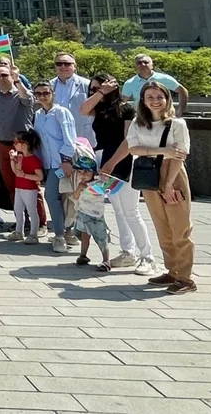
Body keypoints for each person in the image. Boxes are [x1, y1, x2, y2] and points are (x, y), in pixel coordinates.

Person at [120, 81, 195, 294]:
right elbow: (132, 148)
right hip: (148, 174)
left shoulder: (177, 124)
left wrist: (170, 184)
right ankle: (172, 271)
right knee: (162, 226)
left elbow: (179, 155)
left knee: (180, 226)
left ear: (167, 99)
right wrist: (163, 150)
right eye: (150, 97)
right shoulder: (138, 122)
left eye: (159, 97)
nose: (155, 101)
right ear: (143, 100)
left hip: (172, 173)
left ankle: (186, 277)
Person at [85, 75, 155, 275]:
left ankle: (147, 256)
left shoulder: (126, 108)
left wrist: (111, 163)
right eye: (92, 89)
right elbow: (83, 109)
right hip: (103, 157)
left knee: (131, 210)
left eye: (98, 87)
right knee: (118, 209)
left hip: (122, 159)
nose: (95, 91)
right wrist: (99, 93)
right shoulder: (98, 107)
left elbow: (128, 140)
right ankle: (128, 252)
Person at [0, 62, 45, 234]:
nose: (1, 79)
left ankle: (40, 222)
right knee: (11, 185)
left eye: (4, 75)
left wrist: (17, 80)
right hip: (2, 144)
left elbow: (29, 99)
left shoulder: (21, 95)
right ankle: (21, 220)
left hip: (22, 147)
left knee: (30, 184)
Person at [31, 81, 78, 253]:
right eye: (38, 94)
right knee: (61, 197)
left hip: (60, 164)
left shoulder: (61, 113)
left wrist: (66, 160)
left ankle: (60, 235)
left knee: (52, 195)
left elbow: (69, 138)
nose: (42, 97)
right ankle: (68, 231)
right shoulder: (38, 114)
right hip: (47, 163)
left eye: (46, 93)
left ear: (53, 93)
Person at [8, 128, 44, 245]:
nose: (14, 145)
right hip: (19, 188)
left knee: (32, 211)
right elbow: (15, 172)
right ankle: (19, 231)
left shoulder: (34, 160)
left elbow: (39, 176)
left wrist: (25, 175)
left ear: (24, 145)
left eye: (15, 143)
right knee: (18, 210)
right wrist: (12, 160)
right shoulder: (20, 157)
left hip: (30, 190)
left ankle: (33, 234)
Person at [122, 54, 189, 117]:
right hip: (142, 119)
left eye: (146, 62)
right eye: (139, 63)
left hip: (165, 117)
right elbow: (123, 102)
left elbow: (183, 91)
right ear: (135, 66)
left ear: (152, 65)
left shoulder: (165, 78)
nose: (143, 64)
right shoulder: (129, 83)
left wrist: (180, 110)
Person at [72, 166, 112, 271]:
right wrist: (79, 188)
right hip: (83, 213)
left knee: (101, 238)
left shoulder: (99, 184)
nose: (83, 175)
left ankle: (106, 260)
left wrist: (104, 178)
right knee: (84, 237)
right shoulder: (80, 183)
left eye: (86, 172)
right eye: (80, 172)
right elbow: (75, 196)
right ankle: (83, 255)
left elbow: (104, 189)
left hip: (96, 216)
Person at [51, 52, 93, 147]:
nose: (63, 66)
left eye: (67, 64)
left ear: (75, 66)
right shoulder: (49, 86)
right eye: (59, 64)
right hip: (58, 136)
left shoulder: (87, 84)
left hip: (83, 136)